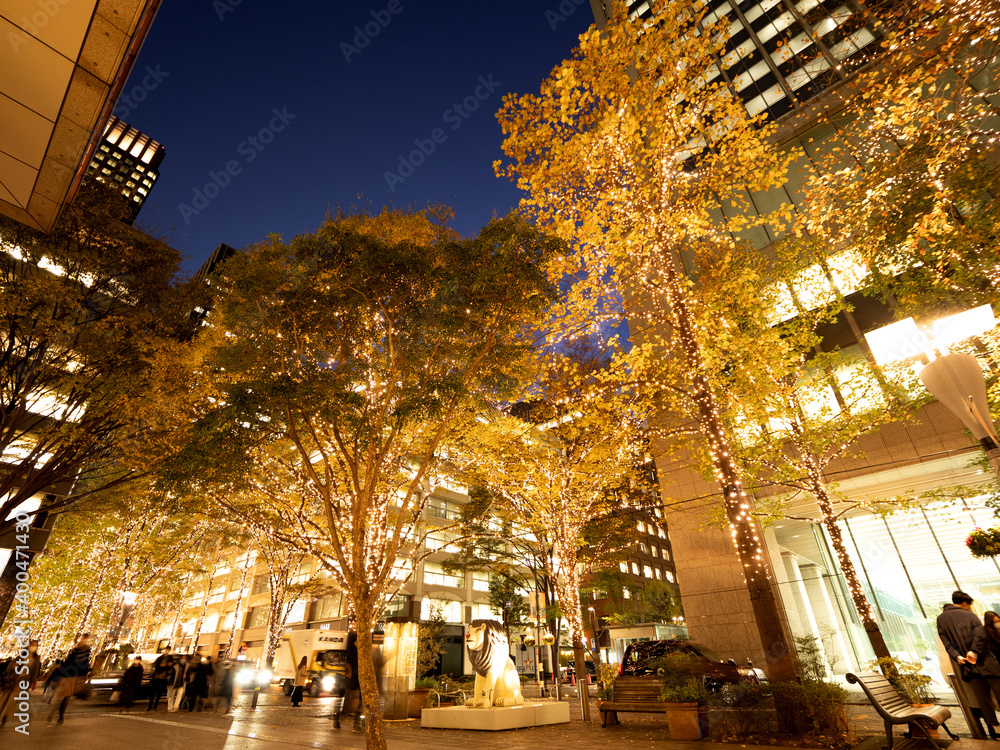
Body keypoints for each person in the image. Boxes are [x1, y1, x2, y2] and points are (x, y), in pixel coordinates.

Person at [938, 590, 1000, 740]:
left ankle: (996, 731)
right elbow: (981, 635)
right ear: (965, 603)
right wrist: (974, 652)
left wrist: (957, 655)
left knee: (983, 700)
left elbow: (947, 643)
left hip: (967, 667)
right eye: (969, 605)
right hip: (985, 662)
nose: (970, 608)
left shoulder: (941, 619)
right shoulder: (970, 615)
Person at [47, 634, 92, 725]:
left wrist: (86, 675)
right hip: (67, 676)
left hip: (76, 678)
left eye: (86, 640)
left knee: (66, 698)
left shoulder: (87, 652)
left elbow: (85, 666)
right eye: (84, 639)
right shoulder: (75, 651)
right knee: (60, 697)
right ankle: (53, 714)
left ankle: (60, 716)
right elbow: (67, 663)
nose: (84, 641)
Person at [345, 631, 363, 731]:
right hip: (356, 677)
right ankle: (357, 723)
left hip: (353, 678)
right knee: (361, 701)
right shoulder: (355, 653)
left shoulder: (349, 652)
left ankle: (358, 722)